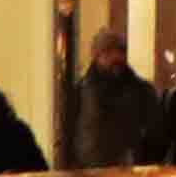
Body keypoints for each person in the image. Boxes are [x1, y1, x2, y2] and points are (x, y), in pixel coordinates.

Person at [68, 29, 161, 169]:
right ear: (96, 56)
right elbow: (70, 133)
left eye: (120, 51)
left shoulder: (142, 91)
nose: (116, 57)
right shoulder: (81, 91)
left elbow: (155, 134)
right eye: (108, 52)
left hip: (131, 175)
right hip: (89, 174)